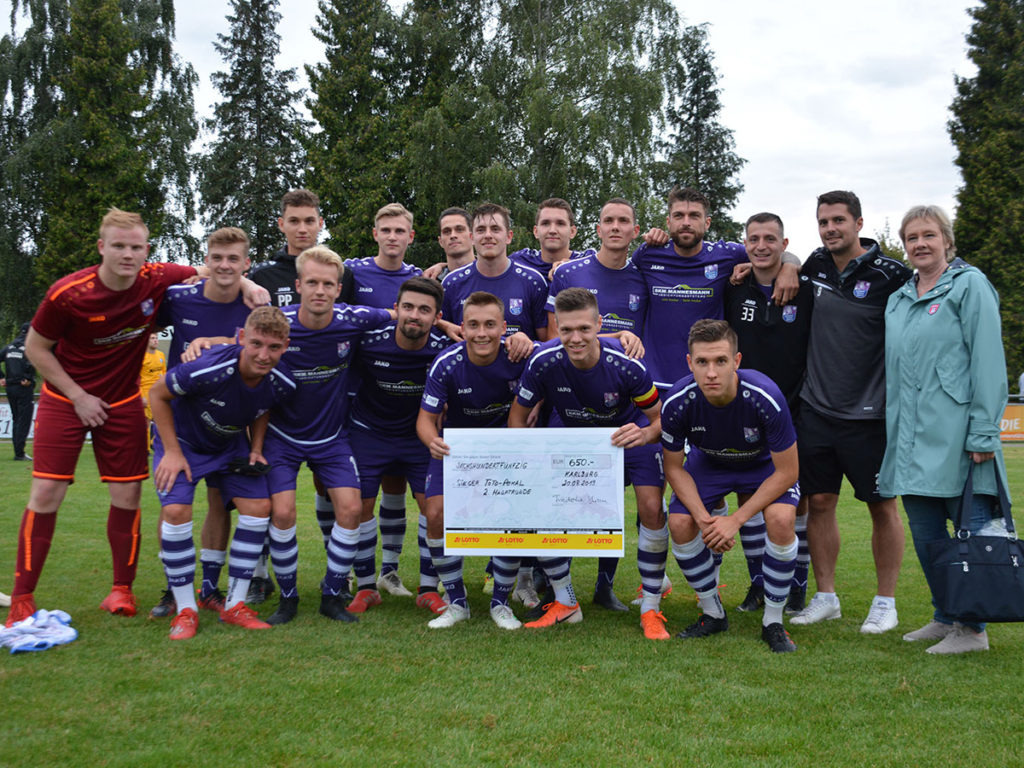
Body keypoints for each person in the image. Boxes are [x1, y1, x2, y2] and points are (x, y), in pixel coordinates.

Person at [4, 208, 265, 627]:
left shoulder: (157, 278)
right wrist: (78, 396)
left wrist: (248, 283)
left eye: (136, 247)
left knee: (127, 497)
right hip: (64, 398)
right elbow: (37, 349)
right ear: (102, 247)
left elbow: (216, 267)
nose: (127, 254)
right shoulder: (67, 293)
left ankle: (121, 590)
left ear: (147, 251)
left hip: (124, 401)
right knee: (47, 494)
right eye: (119, 246)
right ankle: (22, 596)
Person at [879, 205, 1008, 654]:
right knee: (925, 531)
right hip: (911, 438)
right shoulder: (899, 297)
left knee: (968, 528)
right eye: (911, 237)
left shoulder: (970, 286)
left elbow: (989, 362)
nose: (920, 243)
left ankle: (971, 630)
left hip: (958, 435)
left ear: (946, 240)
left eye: (929, 235)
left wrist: (984, 432)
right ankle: (945, 613)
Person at [509, 288, 667, 636]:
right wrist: (527, 460)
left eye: (583, 328)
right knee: (549, 507)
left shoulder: (627, 365)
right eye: (566, 330)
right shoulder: (543, 361)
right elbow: (516, 420)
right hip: (576, 437)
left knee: (652, 509)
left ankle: (652, 607)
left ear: (599, 324)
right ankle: (566, 603)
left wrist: (642, 435)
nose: (575, 338)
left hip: (628, 433)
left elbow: (660, 421)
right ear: (557, 329)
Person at [249, 246, 393, 626]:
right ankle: (289, 598)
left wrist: (444, 325)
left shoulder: (352, 319)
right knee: (281, 513)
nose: (320, 290)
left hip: (331, 437)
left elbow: (400, 315)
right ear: (298, 285)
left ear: (338, 287)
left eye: (328, 284)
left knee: (349, 510)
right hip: (282, 436)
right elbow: (241, 345)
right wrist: (205, 343)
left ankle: (332, 594)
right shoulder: (279, 327)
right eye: (312, 282)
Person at [790, 191, 911, 634]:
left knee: (882, 506)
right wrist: (787, 259)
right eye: (823, 222)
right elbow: (784, 259)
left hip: (871, 414)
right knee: (819, 502)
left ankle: (886, 602)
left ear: (859, 223)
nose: (830, 229)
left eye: (839, 220)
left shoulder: (893, 275)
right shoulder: (813, 267)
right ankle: (826, 597)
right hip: (817, 410)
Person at [148, 307, 296, 640]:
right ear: (242, 338)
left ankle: (234, 605)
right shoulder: (208, 366)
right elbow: (157, 393)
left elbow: (263, 406)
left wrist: (256, 447)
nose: (263, 354)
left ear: (285, 346)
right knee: (175, 510)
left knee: (259, 508)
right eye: (256, 344)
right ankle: (186, 609)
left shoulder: (282, 380)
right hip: (183, 443)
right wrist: (171, 452)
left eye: (274, 347)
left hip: (229, 446)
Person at [661, 319, 801, 653]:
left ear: (736, 362)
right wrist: (705, 520)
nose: (711, 372)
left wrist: (734, 520)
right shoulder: (677, 401)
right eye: (702, 362)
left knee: (781, 520)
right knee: (680, 522)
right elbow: (673, 467)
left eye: (720, 361)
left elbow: (789, 472)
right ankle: (713, 613)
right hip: (710, 464)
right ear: (689, 363)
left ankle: (773, 621)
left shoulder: (765, 396)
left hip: (762, 465)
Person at [246, 188, 355, 603]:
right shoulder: (261, 277)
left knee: (342, 503)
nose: (303, 227)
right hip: (277, 423)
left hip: (332, 424)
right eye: (295, 220)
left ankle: (335, 585)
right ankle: (266, 580)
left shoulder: (343, 280)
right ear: (282, 224)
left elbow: (382, 317)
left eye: (310, 220)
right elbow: (248, 344)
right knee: (267, 505)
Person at [147, 227, 256, 618]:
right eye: (217, 257)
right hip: (180, 425)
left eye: (233, 259)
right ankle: (174, 591)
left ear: (246, 264)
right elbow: (142, 321)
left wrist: (213, 341)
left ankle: (210, 587)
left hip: (229, 425)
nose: (224, 265)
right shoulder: (178, 299)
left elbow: (270, 343)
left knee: (220, 503)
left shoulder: (254, 304)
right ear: (206, 260)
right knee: (174, 505)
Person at [416, 291, 533, 629]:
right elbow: (424, 420)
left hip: (505, 449)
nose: (482, 333)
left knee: (509, 518)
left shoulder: (520, 356)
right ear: (462, 328)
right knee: (435, 513)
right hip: (457, 451)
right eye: (473, 325)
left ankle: (500, 603)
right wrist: (432, 441)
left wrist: (618, 335)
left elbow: (563, 350)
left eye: (490, 325)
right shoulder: (447, 363)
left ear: (504, 327)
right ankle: (457, 602)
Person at [725, 213, 814, 614]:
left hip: (795, 409)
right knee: (750, 497)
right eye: (754, 238)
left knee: (798, 502)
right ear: (744, 243)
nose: (761, 245)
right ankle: (759, 584)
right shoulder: (734, 286)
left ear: (784, 242)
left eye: (770, 239)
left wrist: (792, 264)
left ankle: (797, 583)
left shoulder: (804, 289)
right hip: (744, 412)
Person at [345, 277, 451, 615]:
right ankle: (364, 587)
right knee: (358, 508)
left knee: (435, 511)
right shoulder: (368, 342)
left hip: (419, 437)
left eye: (424, 310)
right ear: (396, 309)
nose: (414, 315)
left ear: (437, 316)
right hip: (368, 433)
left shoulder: (443, 347)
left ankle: (429, 588)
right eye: (408, 307)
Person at [631, 187, 800, 393]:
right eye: (679, 216)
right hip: (656, 381)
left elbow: (769, 252)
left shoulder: (726, 254)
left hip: (710, 381)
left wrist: (790, 266)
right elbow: (620, 270)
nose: (686, 222)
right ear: (668, 222)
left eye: (694, 215)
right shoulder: (648, 254)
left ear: (707, 222)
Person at [344, 205, 430, 601]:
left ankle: (394, 573)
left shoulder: (420, 278)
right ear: (375, 233)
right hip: (366, 412)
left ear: (411, 236)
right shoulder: (352, 271)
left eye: (400, 230)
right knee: (352, 501)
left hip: (412, 423)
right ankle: (357, 579)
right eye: (386, 230)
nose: (393, 236)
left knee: (411, 496)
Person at [441, 203, 550, 342]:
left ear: (509, 236)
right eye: (480, 230)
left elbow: (547, 343)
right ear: (472, 237)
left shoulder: (534, 282)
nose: (488, 235)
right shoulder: (451, 283)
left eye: (495, 229)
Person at [509, 197, 595, 281]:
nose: (552, 230)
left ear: (572, 232)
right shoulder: (519, 261)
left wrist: (572, 267)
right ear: (536, 231)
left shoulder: (588, 260)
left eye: (560, 224)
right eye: (545, 223)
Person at [1, 322, 37, 461]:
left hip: (10, 387)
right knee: (24, 419)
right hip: (23, 387)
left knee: (16, 418)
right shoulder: (29, 346)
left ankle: (18, 451)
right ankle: (19, 453)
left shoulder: (9, 347)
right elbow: (32, 363)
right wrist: (28, 378)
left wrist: (2, 377)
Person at [435, 207, 475, 280]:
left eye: (459, 229)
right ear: (440, 241)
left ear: (473, 237)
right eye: (446, 231)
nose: (453, 235)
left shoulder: (492, 274)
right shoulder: (431, 282)